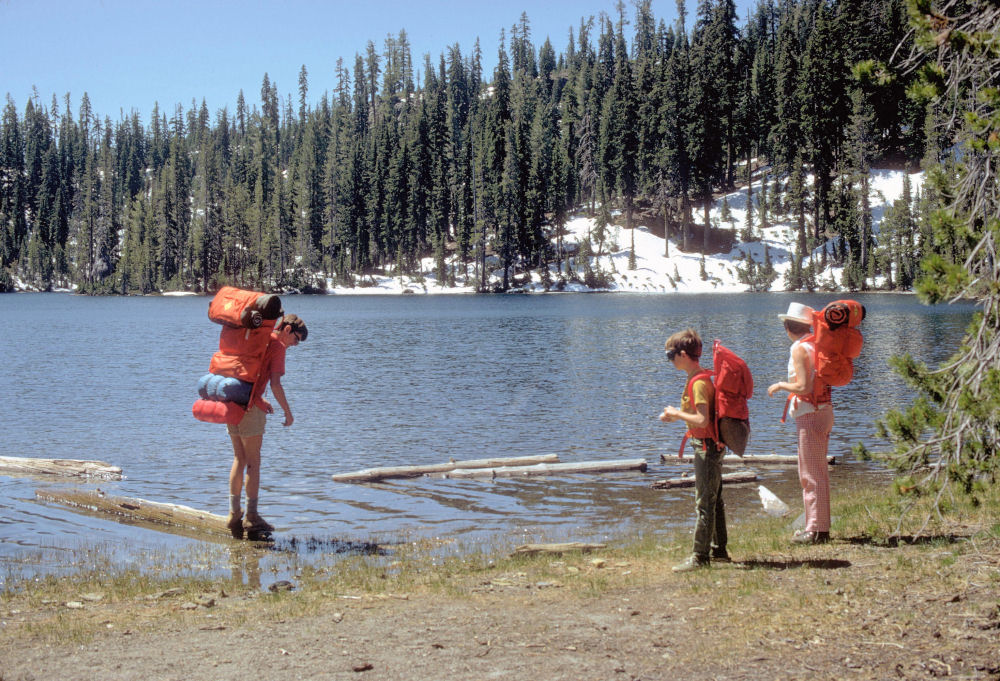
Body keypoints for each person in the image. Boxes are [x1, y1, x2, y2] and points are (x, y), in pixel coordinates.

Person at [226, 313, 308, 539]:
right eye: (296, 339)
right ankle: (251, 516)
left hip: (231, 401)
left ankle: (234, 514)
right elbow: (276, 384)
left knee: (238, 459)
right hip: (250, 409)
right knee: (253, 463)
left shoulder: (257, 337)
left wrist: (257, 399)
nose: (294, 345)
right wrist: (288, 412)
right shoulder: (277, 346)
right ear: (288, 330)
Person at [659, 328, 729, 572]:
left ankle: (700, 557)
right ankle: (720, 550)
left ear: (683, 354)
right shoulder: (697, 377)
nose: (669, 360)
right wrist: (677, 417)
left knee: (704, 502)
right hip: (709, 445)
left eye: (670, 355)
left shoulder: (699, 383)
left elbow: (702, 420)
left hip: (706, 448)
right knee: (714, 498)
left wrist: (676, 414)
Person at [767, 302, 833, 545]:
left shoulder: (799, 349)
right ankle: (819, 527)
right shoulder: (818, 344)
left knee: (810, 474)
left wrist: (781, 385)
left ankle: (815, 530)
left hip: (809, 413)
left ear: (788, 327)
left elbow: (804, 387)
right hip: (825, 411)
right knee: (818, 471)